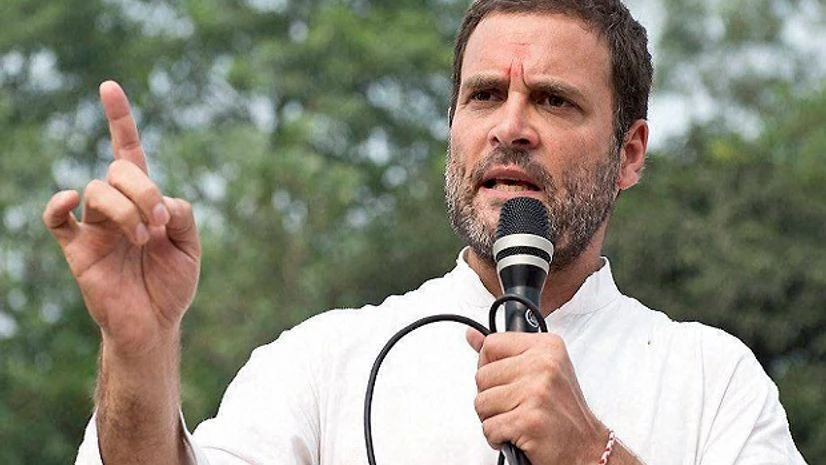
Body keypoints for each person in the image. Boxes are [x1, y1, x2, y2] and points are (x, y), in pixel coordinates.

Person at [44, 0, 806, 464]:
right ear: (452, 127)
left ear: (629, 154)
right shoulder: (326, 362)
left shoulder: (714, 381)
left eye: (553, 101)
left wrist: (588, 452)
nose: (510, 127)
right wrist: (139, 350)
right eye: (483, 96)